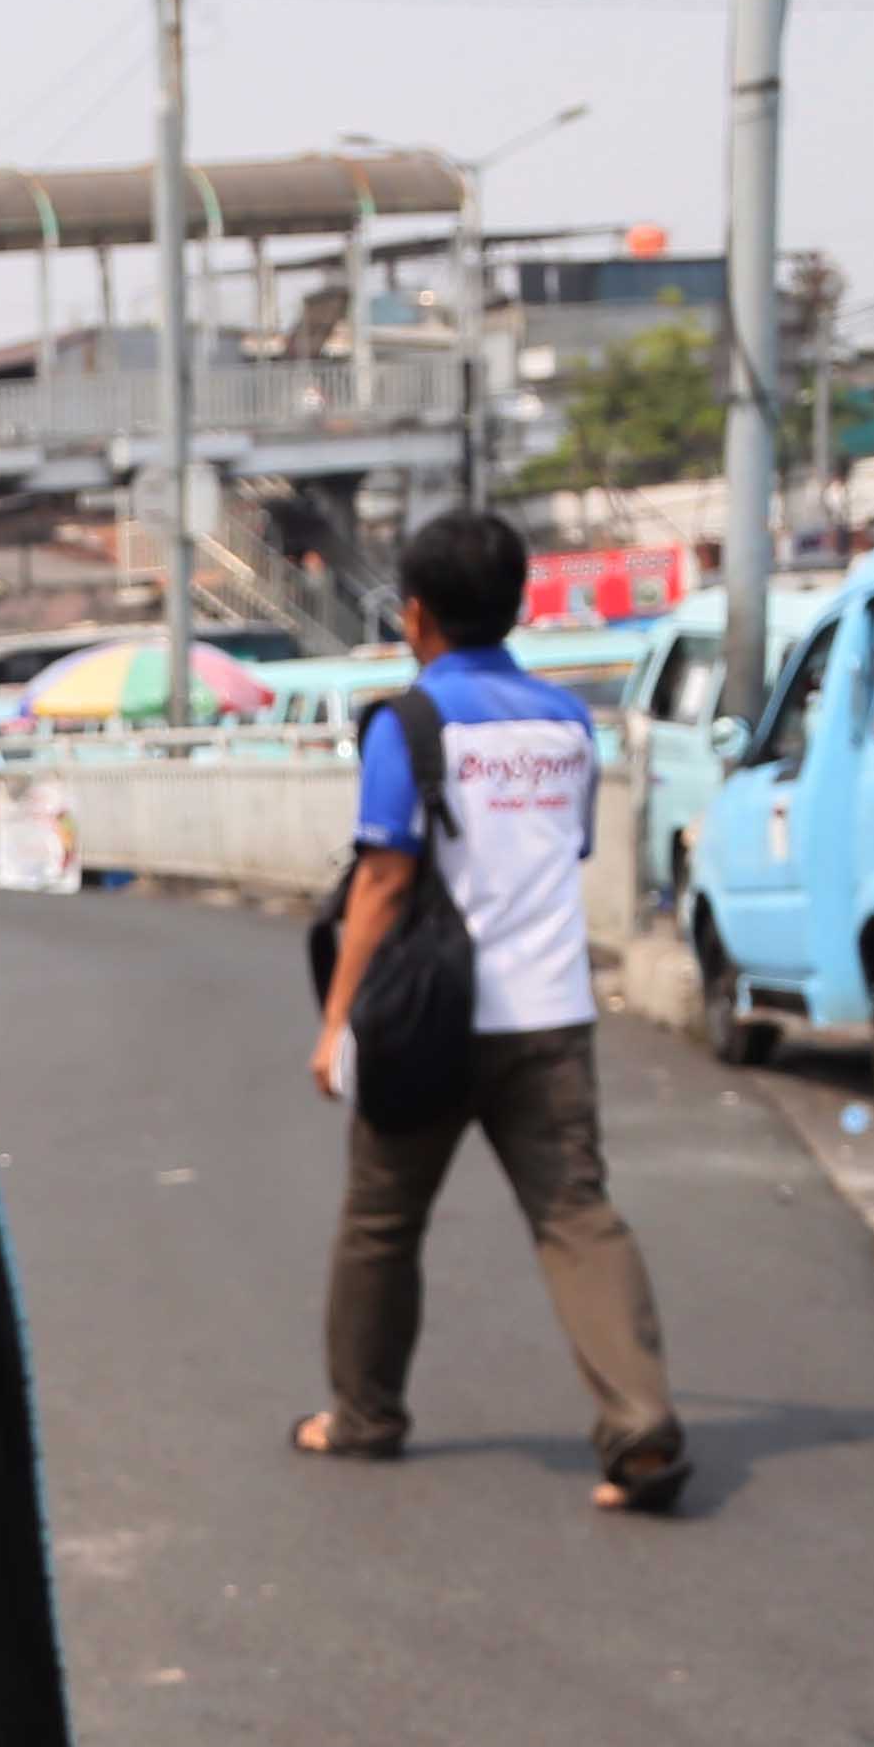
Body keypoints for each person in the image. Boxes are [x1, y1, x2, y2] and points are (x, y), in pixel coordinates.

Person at [300, 507, 688, 1515]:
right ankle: (641, 1432)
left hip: (428, 1020)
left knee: (382, 1225)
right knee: (577, 1218)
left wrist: (337, 1019)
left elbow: (385, 882)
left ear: (415, 616)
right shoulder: (567, 723)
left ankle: (364, 1416)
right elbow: (565, 856)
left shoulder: (407, 724)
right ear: (517, 605)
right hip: (548, 1017)